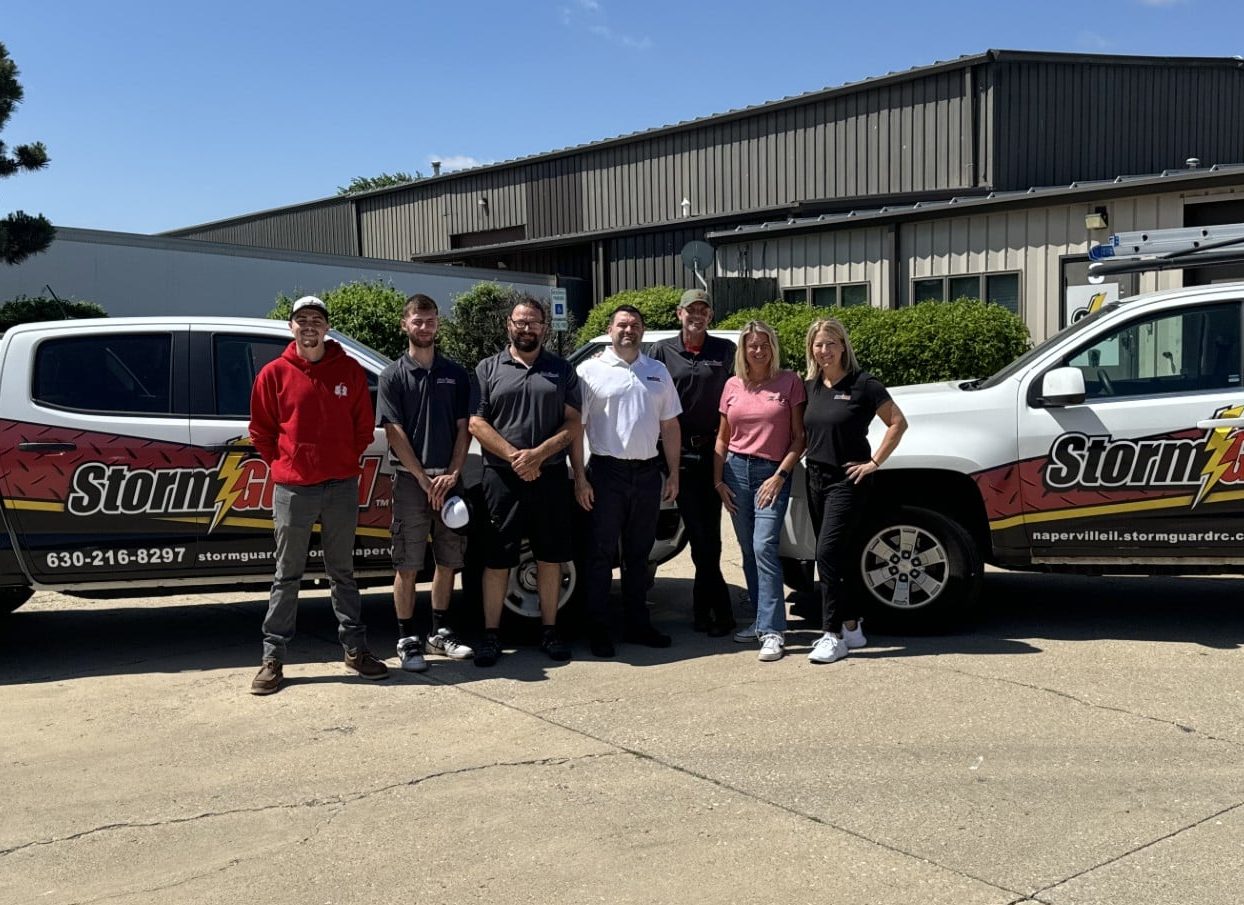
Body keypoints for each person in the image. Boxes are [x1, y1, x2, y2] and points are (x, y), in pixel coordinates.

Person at [248, 295, 389, 694]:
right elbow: (260, 430)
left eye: (317, 319)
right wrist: (285, 463)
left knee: (342, 572)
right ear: (291, 327)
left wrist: (345, 457)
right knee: (286, 574)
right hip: (294, 488)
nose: (309, 325)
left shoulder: (349, 370)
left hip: (340, 485)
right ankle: (272, 658)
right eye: (301, 319)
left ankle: (355, 649)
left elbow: (364, 425)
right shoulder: (273, 374)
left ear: (327, 327)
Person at [469, 295, 581, 667]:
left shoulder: (562, 370)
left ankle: (550, 630)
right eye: (520, 322)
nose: (527, 328)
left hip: (548, 476)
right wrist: (515, 457)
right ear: (508, 326)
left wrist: (538, 455)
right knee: (497, 558)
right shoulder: (487, 368)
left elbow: (572, 422)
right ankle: (490, 635)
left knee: (550, 558)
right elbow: (476, 423)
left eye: (534, 322)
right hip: (501, 477)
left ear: (544, 328)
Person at [572, 305, 682, 657]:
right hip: (606, 473)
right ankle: (599, 629)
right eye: (622, 324)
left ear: (642, 331)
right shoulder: (589, 371)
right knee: (601, 556)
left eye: (634, 325)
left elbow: (670, 425)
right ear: (610, 329)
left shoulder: (657, 370)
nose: (628, 330)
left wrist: (674, 472)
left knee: (639, 555)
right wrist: (579, 477)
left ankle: (637, 625)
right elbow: (576, 427)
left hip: (648, 472)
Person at [376, 294, 473, 672]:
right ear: (405, 324)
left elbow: (465, 428)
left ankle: (439, 633)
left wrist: (451, 473)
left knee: (448, 560)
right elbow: (394, 431)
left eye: (431, 320)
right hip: (410, 481)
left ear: (438, 325)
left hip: (449, 482)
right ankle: (406, 638)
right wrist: (421, 476)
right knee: (408, 563)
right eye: (418, 321)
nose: (425, 327)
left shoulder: (455, 373)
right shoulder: (392, 376)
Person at [802, 318, 907, 665]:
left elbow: (897, 422)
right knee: (839, 558)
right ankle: (851, 624)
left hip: (848, 481)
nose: (825, 350)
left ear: (844, 346)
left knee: (826, 555)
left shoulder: (864, 384)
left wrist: (874, 462)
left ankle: (831, 634)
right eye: (819, 344)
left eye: (831, 343)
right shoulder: (810, 386)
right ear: (811, 349)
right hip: (814, 476)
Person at [713, 320, 806, 662]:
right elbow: (722, 439)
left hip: (772, 472)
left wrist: (780, 475)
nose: (758, 350)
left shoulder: (789, 382)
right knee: (749, 551)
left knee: (763, 545)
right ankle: (760, 620)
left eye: (764, 345)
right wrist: (718, 481)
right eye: (752, 345)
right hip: (735, 473)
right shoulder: (732, 385)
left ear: (773, 348)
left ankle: (773, 631)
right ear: (743, 350)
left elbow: (799, 438)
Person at [649, 288, 737, 636]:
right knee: (698, 539)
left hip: (712, 455)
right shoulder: (661, 351)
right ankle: (716, 611)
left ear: (710, 316)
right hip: (673, 456)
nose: (697, 315)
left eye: (703, 310)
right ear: (679, 314)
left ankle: (708, 611)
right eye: (691, 309)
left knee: (708, 541)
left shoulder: (725, 351)